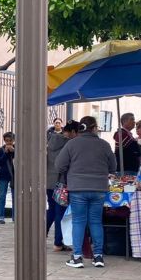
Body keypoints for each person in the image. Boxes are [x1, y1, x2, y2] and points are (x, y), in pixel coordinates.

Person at [56, 115, 117, 269]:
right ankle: (98, 257)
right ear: (95, 127)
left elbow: (59, 165)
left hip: (77, 188)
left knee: (78, 221)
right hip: (99, 188)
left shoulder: (72, 144)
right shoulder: (104, 144)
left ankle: (77, 257)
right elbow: (113, 167)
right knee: (96, 221)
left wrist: (71, 171)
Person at [47, 120, 79, 252]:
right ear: (72, 132)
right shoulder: (69, 144)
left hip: (48, 181)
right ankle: (58, 242)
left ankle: (41, 235)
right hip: (61, 182)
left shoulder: (50, 140)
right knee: (60, 212)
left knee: (53, 210)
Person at [0, 132, 16, 224]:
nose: (8, 143)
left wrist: (13, 152)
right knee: (2, 196)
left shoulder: (17, 149)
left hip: (14, 175)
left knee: (15, 196)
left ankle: (15, 216)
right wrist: (6, 153)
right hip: (3, 175)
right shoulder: (1, 150)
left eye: (10, 141)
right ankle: (0, 216)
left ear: (13, 140)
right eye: (6, 141)